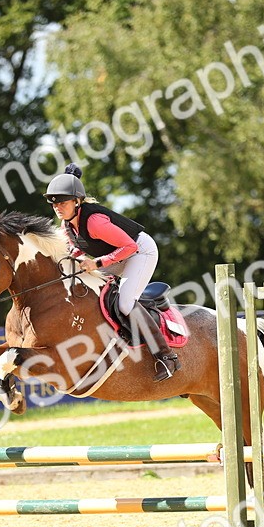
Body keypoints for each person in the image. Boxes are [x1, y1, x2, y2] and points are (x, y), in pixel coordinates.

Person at [44, 164, 180, 382]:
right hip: (119, 255)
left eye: (62, 202)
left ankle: (166, 356)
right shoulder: (67, 224)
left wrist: (96, 263)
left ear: (77, 201)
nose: (57, 207)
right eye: (54, 203)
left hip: (140, 252)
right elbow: (81, 246)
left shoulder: (95, 221)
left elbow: (130, 247)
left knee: (125, 303)